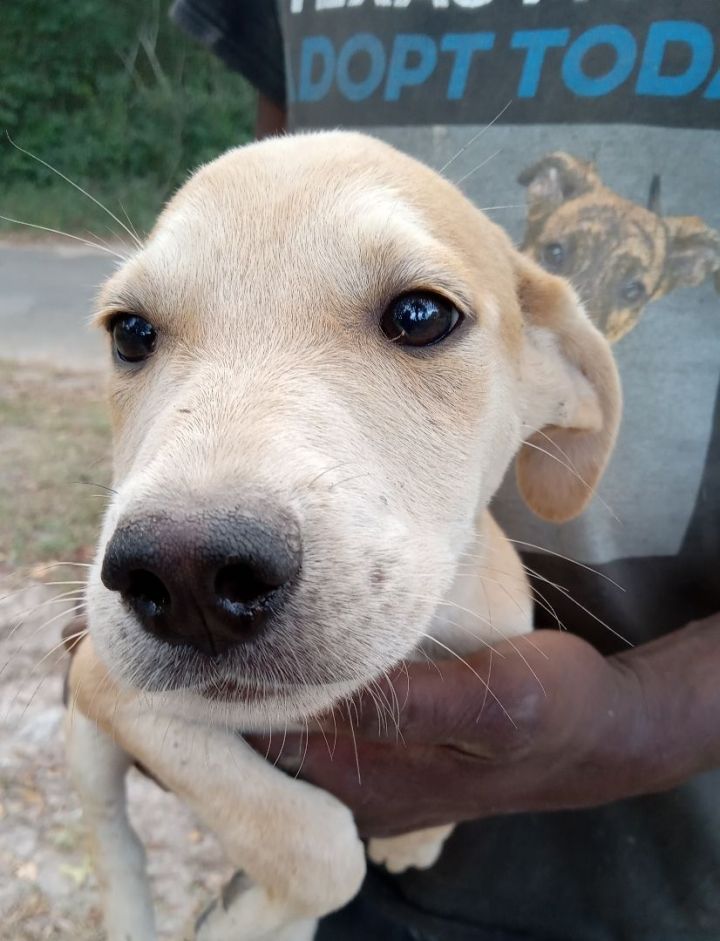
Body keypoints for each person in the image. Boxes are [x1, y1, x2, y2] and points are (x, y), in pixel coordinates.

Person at [171, 2, 720, 939]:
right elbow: (254, 237)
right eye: (133, 336)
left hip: (678, 858)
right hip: (343, 835)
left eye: (416, 315)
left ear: (572, 387)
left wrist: (633, 717)